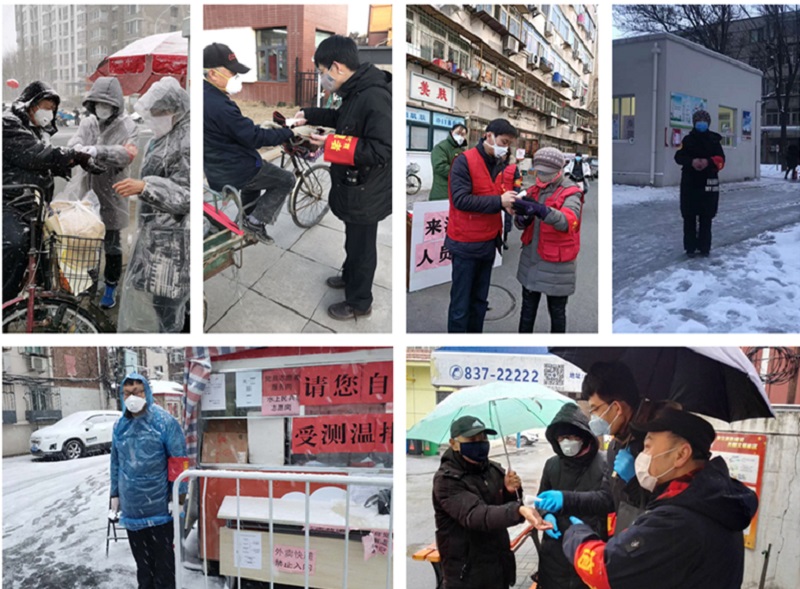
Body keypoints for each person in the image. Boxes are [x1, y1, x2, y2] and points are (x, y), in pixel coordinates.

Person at [561, 407, 758, 589]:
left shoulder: (677, 521)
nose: (642, 456)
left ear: (681, 455)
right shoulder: (714, 499)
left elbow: (605, 568)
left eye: (647, 447)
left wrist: (576, 534)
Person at [295, 35, 392, 321]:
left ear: (336, 67)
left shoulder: (374, 96)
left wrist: (330, 144)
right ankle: (350, 277)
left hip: (367, 190)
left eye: (321, 71)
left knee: (362, 248)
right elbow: (343, 120)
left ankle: (360, 303)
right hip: (356, 186)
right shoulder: (356, 91)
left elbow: (380, 149)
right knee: (353, 242)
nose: (321, 78)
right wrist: (309, 114)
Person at [2, 81, 98, 302]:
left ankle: (40, 304)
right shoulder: (8, 123)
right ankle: (5, 301)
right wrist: (73, 155)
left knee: (47, 246)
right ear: (31, 105)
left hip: (30, 203)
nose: (50, 113)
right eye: (46, 106)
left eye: (53, 109)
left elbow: (41, 159)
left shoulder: (35, 128)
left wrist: (72, 160)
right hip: (9, 202)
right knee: (16, 244)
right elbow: (34, 155)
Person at [535, 362, 647, 535]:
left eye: (595, 409)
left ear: (616, 408)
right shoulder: (616, 447)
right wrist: (565, 499)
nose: (594, 418)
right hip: (626, 543)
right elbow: (607, 498)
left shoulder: (654, 444)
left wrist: (633, 482)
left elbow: (668, 512)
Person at [114, 77, 190, 333]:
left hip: (175, 237)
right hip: (157, 233)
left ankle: (179, 332)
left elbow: (187, 195)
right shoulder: (164, 134)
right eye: (153, 113)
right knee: (159, 297)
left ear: (175, 109)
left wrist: (146, 187)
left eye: (160, 113)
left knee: (169, 300)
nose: (154, 118)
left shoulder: (187, 139)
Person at [203, 42, 297, 244]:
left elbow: (234, 129)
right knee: (287, 179)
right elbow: (254, 138)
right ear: (212, 74)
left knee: (254, 183)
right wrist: (287, 132)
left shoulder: (206, 96)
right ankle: (255, 222)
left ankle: (246, 218)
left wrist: (254, 127)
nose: (236, 78)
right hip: (235, 170)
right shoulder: (219, 105)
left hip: (217, 169)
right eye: (232, 73)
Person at [432, 415, 539, 589]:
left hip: (498, 566)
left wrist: (510, 491)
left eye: (483, 438)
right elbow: (476, 515)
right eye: (472, 439)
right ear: (454, 444)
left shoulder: (493, 469)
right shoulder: (447, 480)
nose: (480, 443)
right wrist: (517, 510)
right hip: (467, 574)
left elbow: (502, 506)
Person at [111, 373, 188, 589]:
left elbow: (178, 461)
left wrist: (179, 496)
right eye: (127, 394)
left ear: (147, 393)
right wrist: (115, 495)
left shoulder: (165, 423)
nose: (132, 398)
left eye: (137, 392)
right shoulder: (120, 426)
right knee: (143, 566)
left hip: (160, 509)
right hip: (132, 509)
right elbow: (116, 462)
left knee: (163, 565)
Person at [67, 76, 139, 309]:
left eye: (107, 104)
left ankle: (110, 285)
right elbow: (76, 139)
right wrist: (77, 147)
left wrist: (99, 150)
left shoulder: (128, 126)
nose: (102, 108)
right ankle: (88, 283)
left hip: (113, 192)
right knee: (87, 240)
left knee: (111, 243)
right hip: (87, 192)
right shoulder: (88, 123)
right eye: (98, 103)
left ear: (116, 105)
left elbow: (127, 153)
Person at [445, 118, 521, 333]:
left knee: (479, 301)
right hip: (466, 243)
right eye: (503, 142)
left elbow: (492, 192)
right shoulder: (464, 161)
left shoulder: (498, 163)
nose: (505, 148)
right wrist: (499, 202)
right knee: (461, 304)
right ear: (489, 136)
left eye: (509, 144)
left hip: (488, 242)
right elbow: (460, 200)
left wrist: (509, 204)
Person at [534, 404, 607, 589]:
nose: (566, 442)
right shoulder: (551, 465)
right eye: (561, 438)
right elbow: (540, 499)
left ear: (584, 436)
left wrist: (565, 499)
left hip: (588, 548)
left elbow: (607, 500)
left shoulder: (604, 463)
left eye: (571, 437)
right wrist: (545, 514)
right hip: (554, 552)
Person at [513, 147, 583, 333]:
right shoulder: (534, 189)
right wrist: (522, 217)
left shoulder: (571, 192)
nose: (541, 177)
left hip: (557, 266)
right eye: (539, 172)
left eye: (546, 173)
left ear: (558, 171)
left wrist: (542, 210)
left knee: (557, 312)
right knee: (527, 311)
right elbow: (522, 224)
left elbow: (569, 221)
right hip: (531, 259)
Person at [674, 109, 725, 258]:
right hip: (690, 182)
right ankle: (690, 247)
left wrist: (708, 162)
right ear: (694, 123)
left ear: (708, 123)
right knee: (689, 216)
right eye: (698, 122)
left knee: (706, 215)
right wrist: (692, 162)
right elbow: (678, 157)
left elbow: (721, 160)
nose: (701, 124)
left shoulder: (715, 140)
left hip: (710, 181)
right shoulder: (687, 140)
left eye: (703, 122)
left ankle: (704, 247)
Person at [429, 123, 467, 201]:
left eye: (463, 134)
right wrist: (460, 173)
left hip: (457, 192)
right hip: (442, 193)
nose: (460, 136)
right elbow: (439, 166)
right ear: (451, 132)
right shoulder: (441, 147)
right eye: (457, 133)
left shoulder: (462, 150)